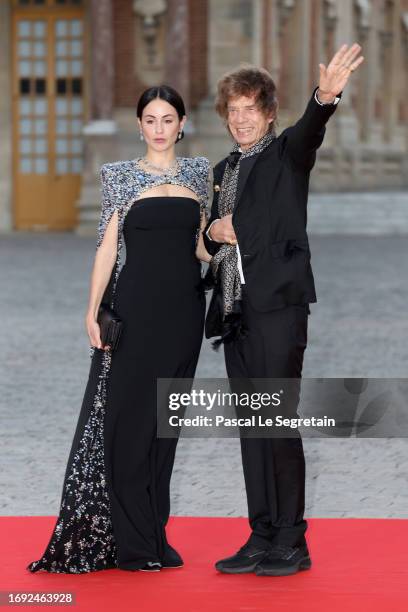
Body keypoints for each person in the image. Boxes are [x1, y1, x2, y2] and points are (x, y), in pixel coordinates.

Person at [27, 85, 211, 574]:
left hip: (185, 316)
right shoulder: (118, 177)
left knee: (164, 430)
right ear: (139, 126)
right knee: (129, 426)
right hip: (134, 314)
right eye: (150, 120)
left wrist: (231, 242)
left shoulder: (199, 173)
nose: (158, 129)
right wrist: (91, 311)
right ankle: (132, 544)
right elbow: (107, 249)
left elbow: (198, 247)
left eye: (167, 119)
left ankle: (154, 533)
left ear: (182, 123)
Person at [204, 44, 364, 576]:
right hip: (235, 313)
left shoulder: (287, 155)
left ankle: (292, 539)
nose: (242, 118)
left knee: (276, 422)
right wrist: (211, 229)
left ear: (269, 113)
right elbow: (209, 234)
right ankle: (262, 533)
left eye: (251, 108)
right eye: (234, 110)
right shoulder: (223, 170)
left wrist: (324, 97)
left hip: (279, 309)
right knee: (251, 428)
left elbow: (310, 130)